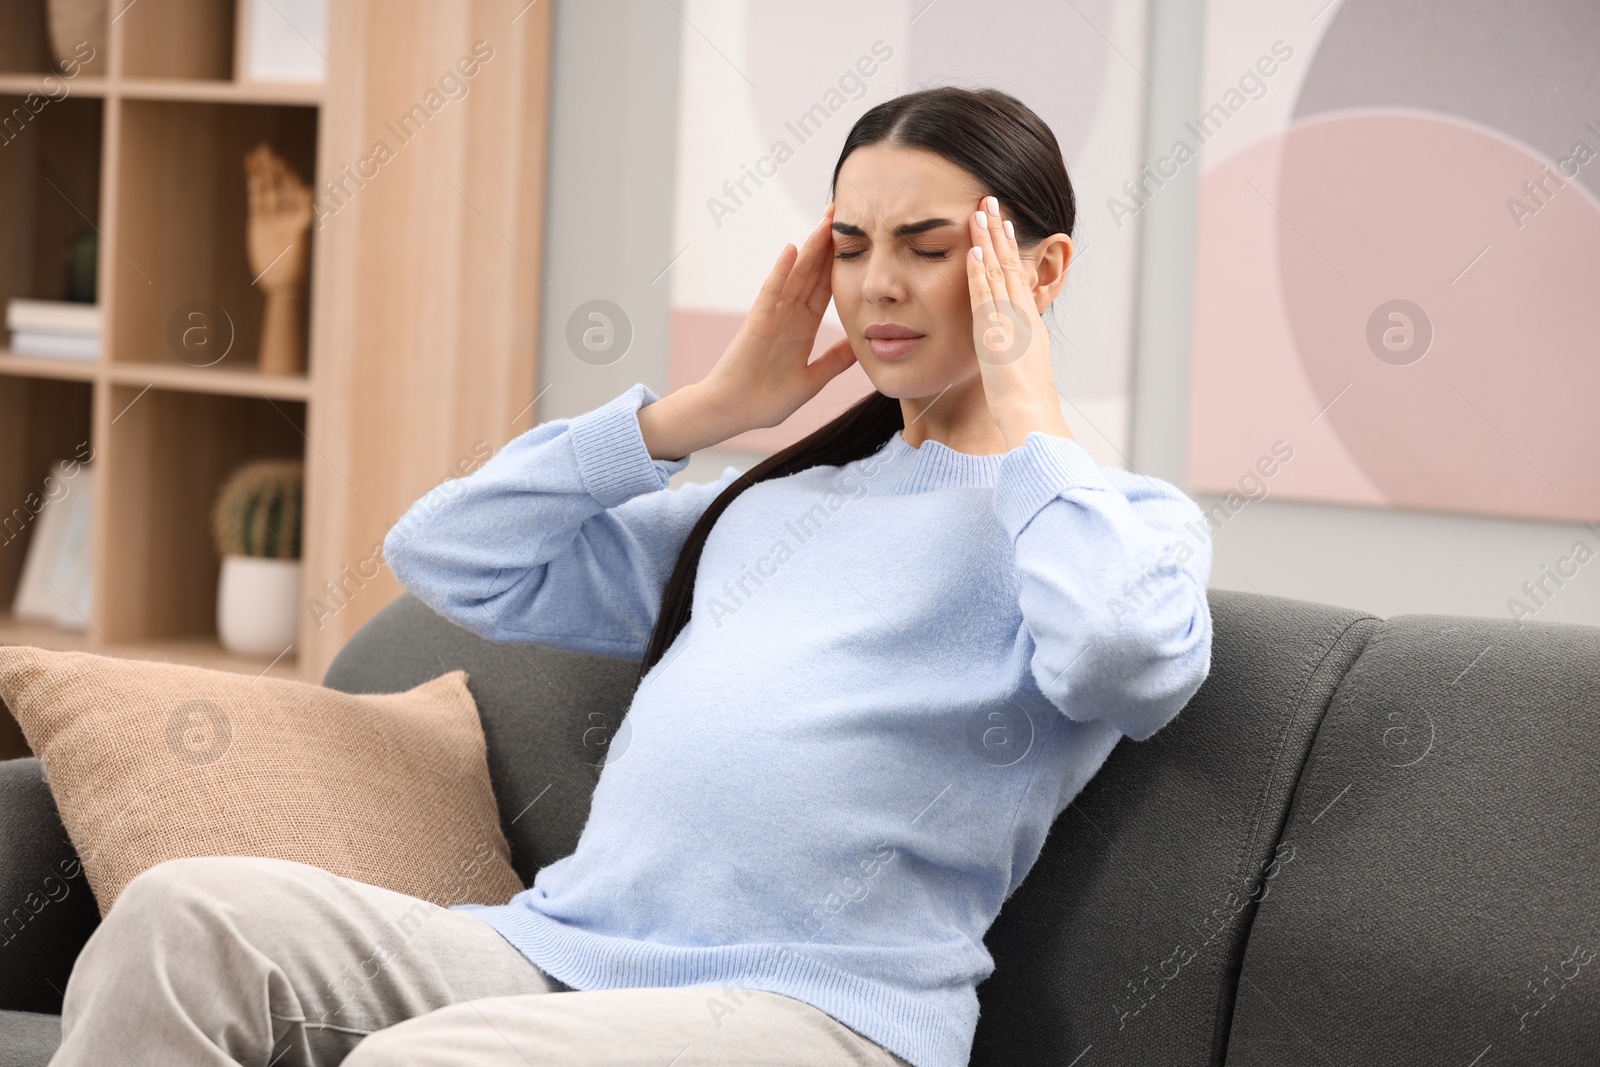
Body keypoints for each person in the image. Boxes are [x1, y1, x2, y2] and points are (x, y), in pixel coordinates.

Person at [49, 86, 1212, 1067]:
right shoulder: (763, 506)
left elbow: (1120, 656)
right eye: (850, 246)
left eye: (929, 245)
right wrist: (700, 414)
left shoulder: (1108, 526)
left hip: (816, 1014)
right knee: (182, 915)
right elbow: (448, 552)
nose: (877, 286)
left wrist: (1031, 416)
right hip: (560, 951)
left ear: (1038, 269)